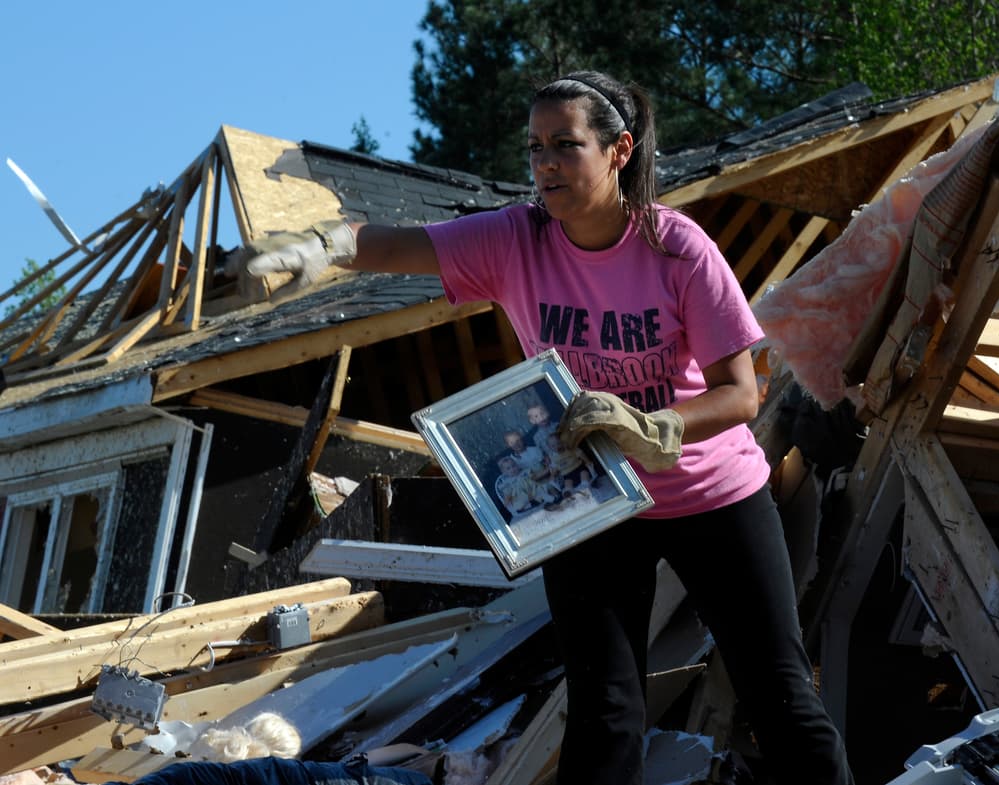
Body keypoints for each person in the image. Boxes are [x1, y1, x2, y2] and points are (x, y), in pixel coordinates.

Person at [240, 70, 852, 785]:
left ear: (620, 150)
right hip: (591, 500)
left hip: (711, 494)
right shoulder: (515, 240)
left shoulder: (678, 248)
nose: (545, 165)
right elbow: (398, 245)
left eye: (565, 145)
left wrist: (649, 423)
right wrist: (317, 248)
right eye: (534, 148)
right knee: (603, 713)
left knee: (779, 698)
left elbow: (741, 394)